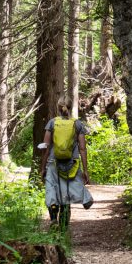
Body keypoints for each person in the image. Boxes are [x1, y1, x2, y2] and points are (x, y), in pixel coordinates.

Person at [39, 97, 93, 230]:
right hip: (72, 164)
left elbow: (46, 147)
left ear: (58, 108)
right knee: (66, 194)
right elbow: (82, 148)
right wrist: (85, 169)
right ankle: (63, 227)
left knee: (52, 191)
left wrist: (43, 167)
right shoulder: (77, 124)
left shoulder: (52, 123)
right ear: (70, 107)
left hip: (53, 163)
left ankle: (53, 219)